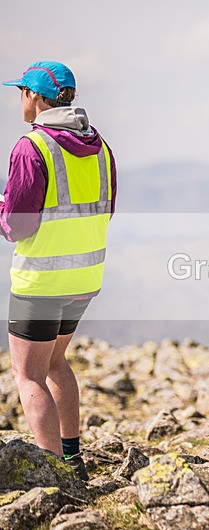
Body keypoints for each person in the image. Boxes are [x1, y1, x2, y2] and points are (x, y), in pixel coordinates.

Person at [2, 61, 117, 480]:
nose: (19, 100)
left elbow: (18, 225)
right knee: (55, 362)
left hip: (41, 280)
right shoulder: (101, 147)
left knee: (28, 373)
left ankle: (55, 474)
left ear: (33, 97)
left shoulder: (32, 147)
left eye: (21, 92)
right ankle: (73, 458)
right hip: (85, 278)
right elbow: (106, 209)